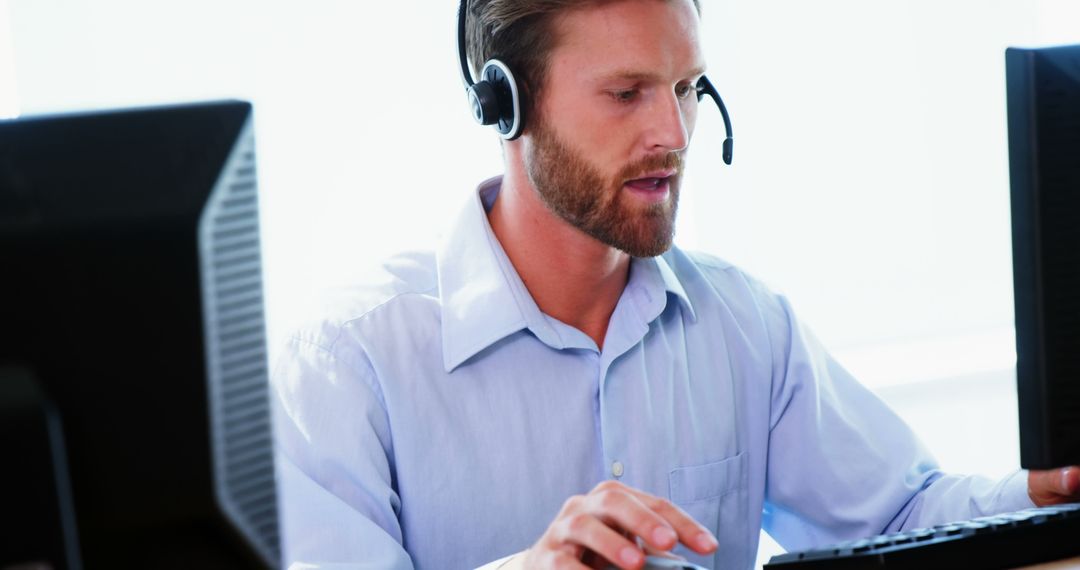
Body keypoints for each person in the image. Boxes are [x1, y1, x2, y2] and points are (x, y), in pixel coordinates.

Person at [270, 0, 1080, 568]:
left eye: (688, 88)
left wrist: (1049, 497)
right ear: (506, 104)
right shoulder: (348, 363)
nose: (672, 134)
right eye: (626, 95)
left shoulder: (743, 325)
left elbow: (898, 517)